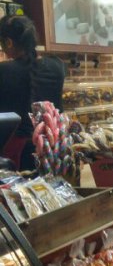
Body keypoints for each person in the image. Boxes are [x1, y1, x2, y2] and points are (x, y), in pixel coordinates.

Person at [0, 15, 66, 170]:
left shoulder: (4, 71)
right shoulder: (58, 66)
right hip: (53, 149)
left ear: (9, 42)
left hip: (18, 152)